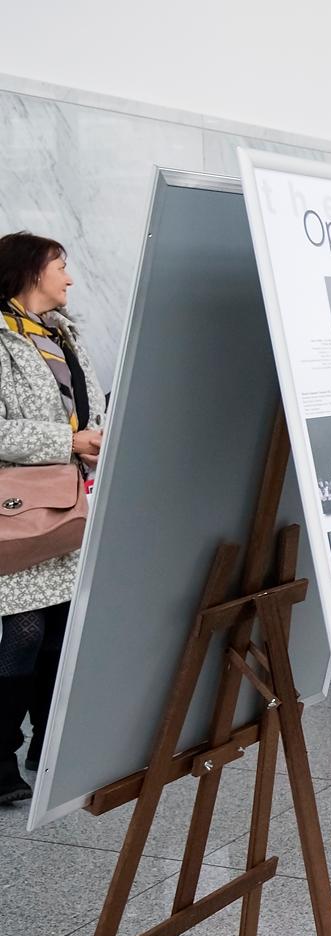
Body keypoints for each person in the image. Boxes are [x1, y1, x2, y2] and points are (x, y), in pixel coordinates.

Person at [0, 233, 108, 804]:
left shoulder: (61, 334)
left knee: (63, 631)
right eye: (61, 267)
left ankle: (48, 751)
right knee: (23, 630)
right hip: (19, 511)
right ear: (30, 270)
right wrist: (68, 439)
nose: (69, 278)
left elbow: (87, 407)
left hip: (71, 504)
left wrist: (96, 434)